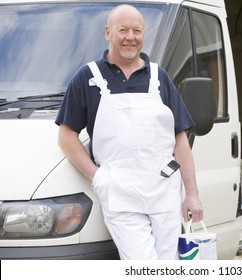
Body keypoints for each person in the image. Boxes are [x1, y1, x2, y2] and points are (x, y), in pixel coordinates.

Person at [55, 4, 203, 260]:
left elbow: (180, 140)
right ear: (108, 33)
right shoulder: (88, 77)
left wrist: (191, 193)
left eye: (137, 31)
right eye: (123, 30)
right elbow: (66, 136)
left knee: (169, 264)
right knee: (141, 265)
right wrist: (98, 177)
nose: (130, 37)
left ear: (144, 34)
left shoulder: (160, 77)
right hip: (119, 192)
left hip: (164, 191)